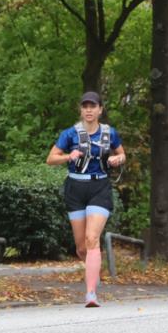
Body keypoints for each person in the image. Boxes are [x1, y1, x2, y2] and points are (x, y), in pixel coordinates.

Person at [46, 91, 126, 307]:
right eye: (85, 106)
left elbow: (121, 153)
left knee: (92, 238)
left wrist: (118, 159)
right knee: (82, 247)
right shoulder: (69, 134)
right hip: (75, 188)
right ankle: (94, 268)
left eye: (93, 106)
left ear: (100, 110)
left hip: (99, 186)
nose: (89, 110)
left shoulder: (110, 133)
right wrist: (67, 157)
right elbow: (50, 159)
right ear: (81, 110)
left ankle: (91, 293)